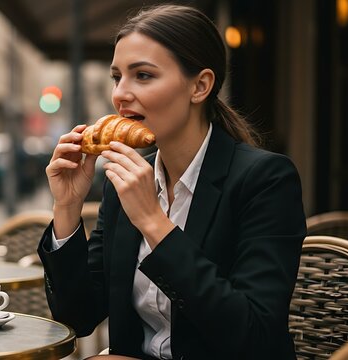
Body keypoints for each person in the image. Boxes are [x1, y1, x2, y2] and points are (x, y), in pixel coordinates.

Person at [38, 5, 306, 360]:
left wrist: (153, 222)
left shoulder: (265, 180)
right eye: (117, 77)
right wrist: (67, 206)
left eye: (143, 76)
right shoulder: (123, 182)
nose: (120, 94)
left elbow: (252, 335)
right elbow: (78, 317)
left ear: (200, 86)